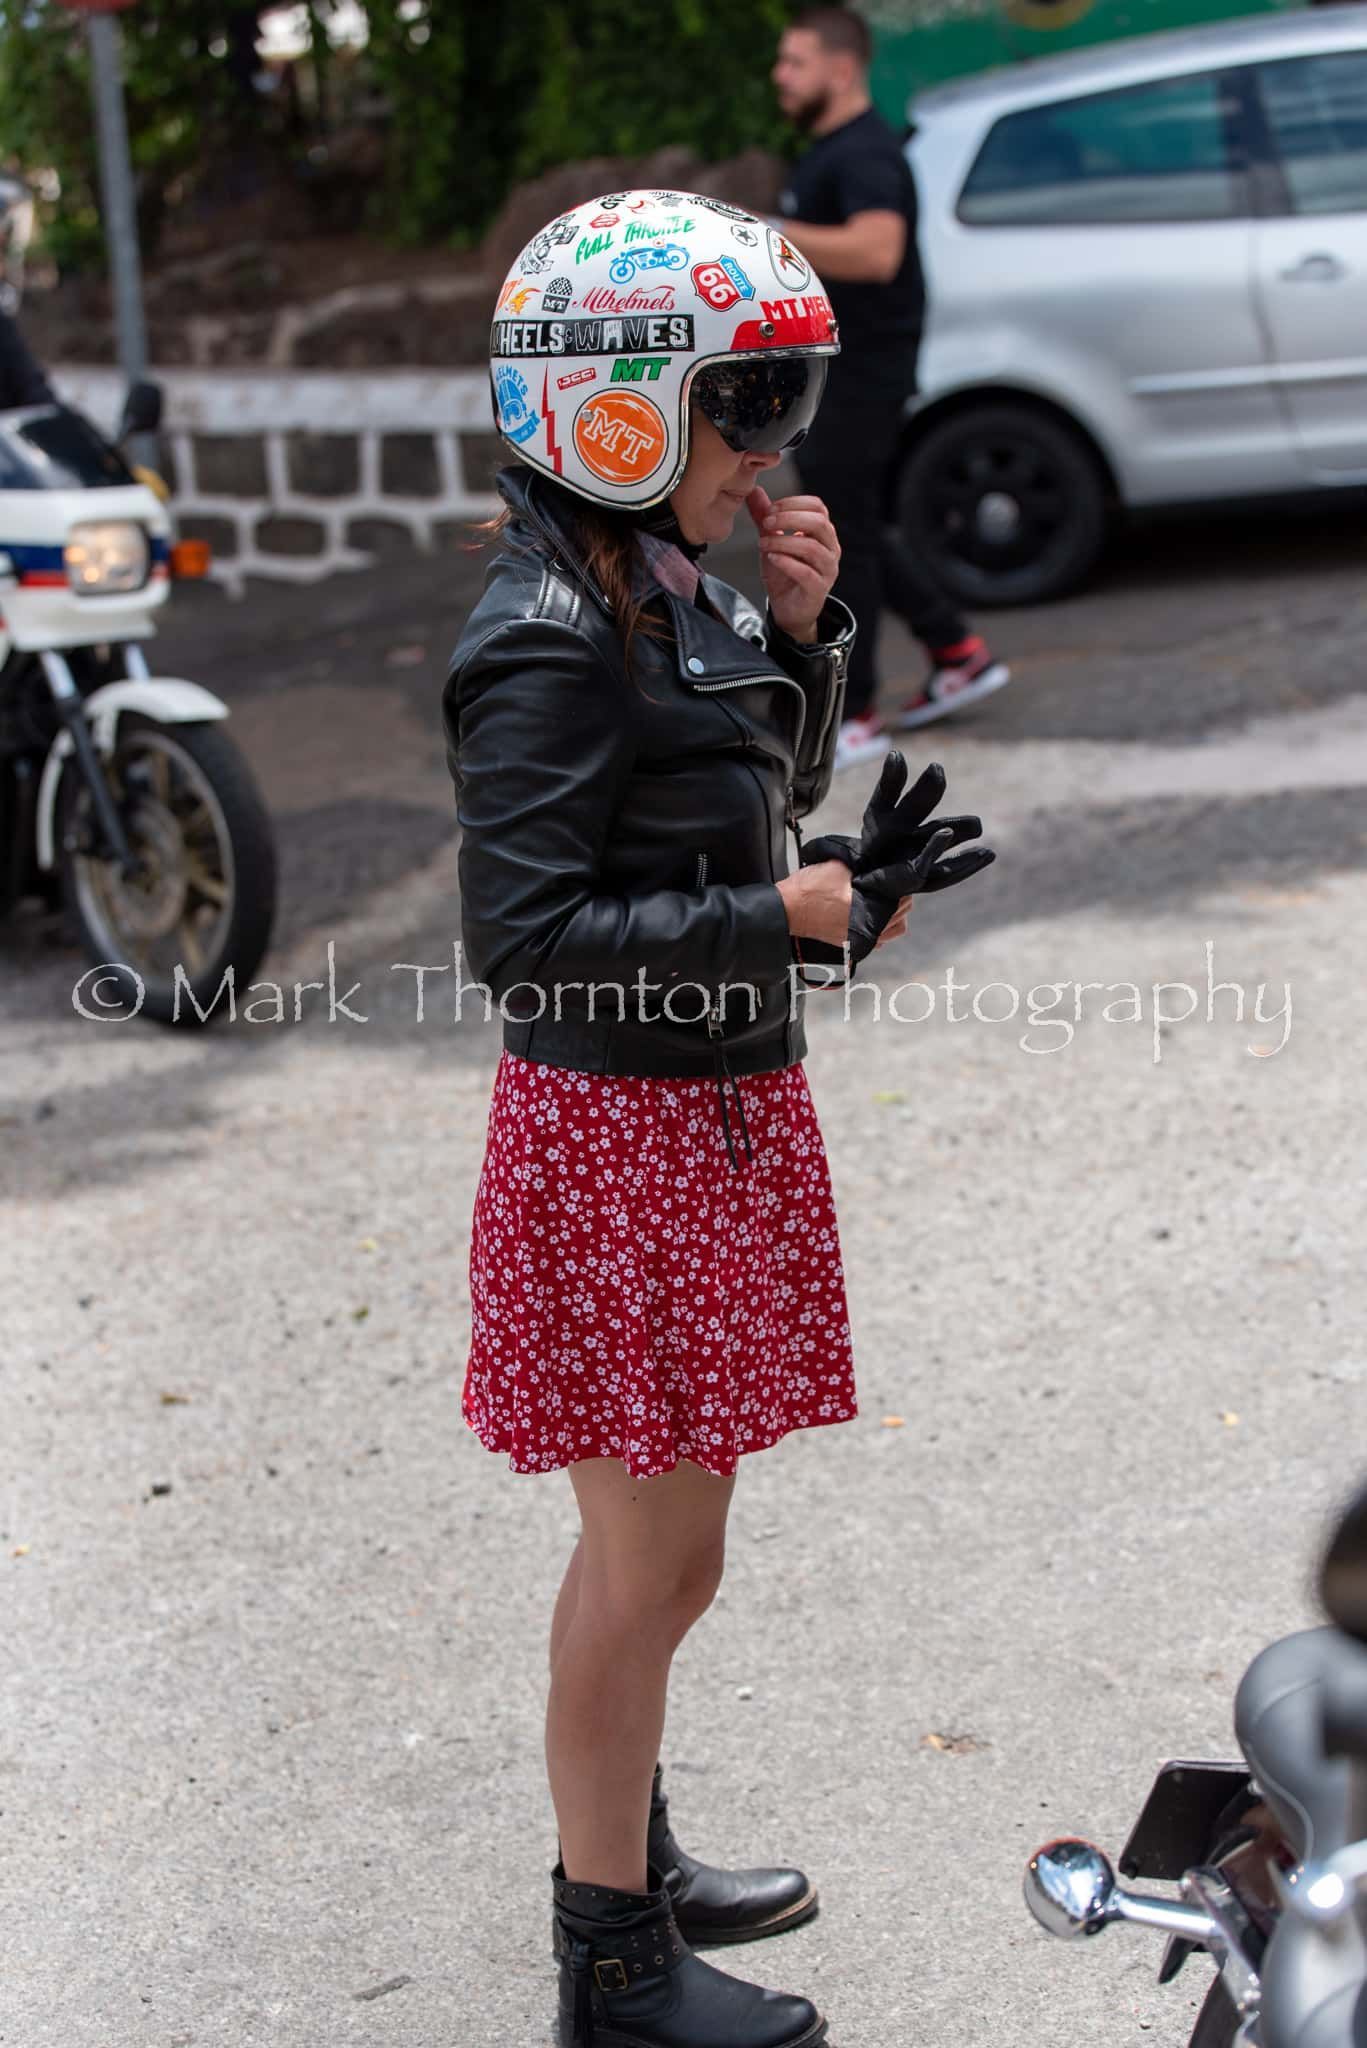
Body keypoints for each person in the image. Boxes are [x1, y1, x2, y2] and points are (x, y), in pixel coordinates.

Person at [442, 186, 942, 2048]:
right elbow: (530, 942)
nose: (773, 450)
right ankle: (613, 1969)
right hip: (618, 1145)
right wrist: (780, 915)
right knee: (650, 1561)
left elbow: (748, 791)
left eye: (785, 406)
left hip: (700, 1116)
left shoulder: (648, 584)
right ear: (618, 406)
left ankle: (622, 1855)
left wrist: (804, 647)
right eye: (745, 407)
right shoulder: (541, 636)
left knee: (670, 1558)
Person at [771, 4, 1010, 769]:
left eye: (795, 62)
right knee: (858, 528)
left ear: (840, 70)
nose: (780, 77)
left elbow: (876, 252)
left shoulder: (865, 155)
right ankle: (956, 650)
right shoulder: (829, 153)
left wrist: (760, 232)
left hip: (861, 376)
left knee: (840, 541)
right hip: (836, 376)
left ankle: (856, 713)